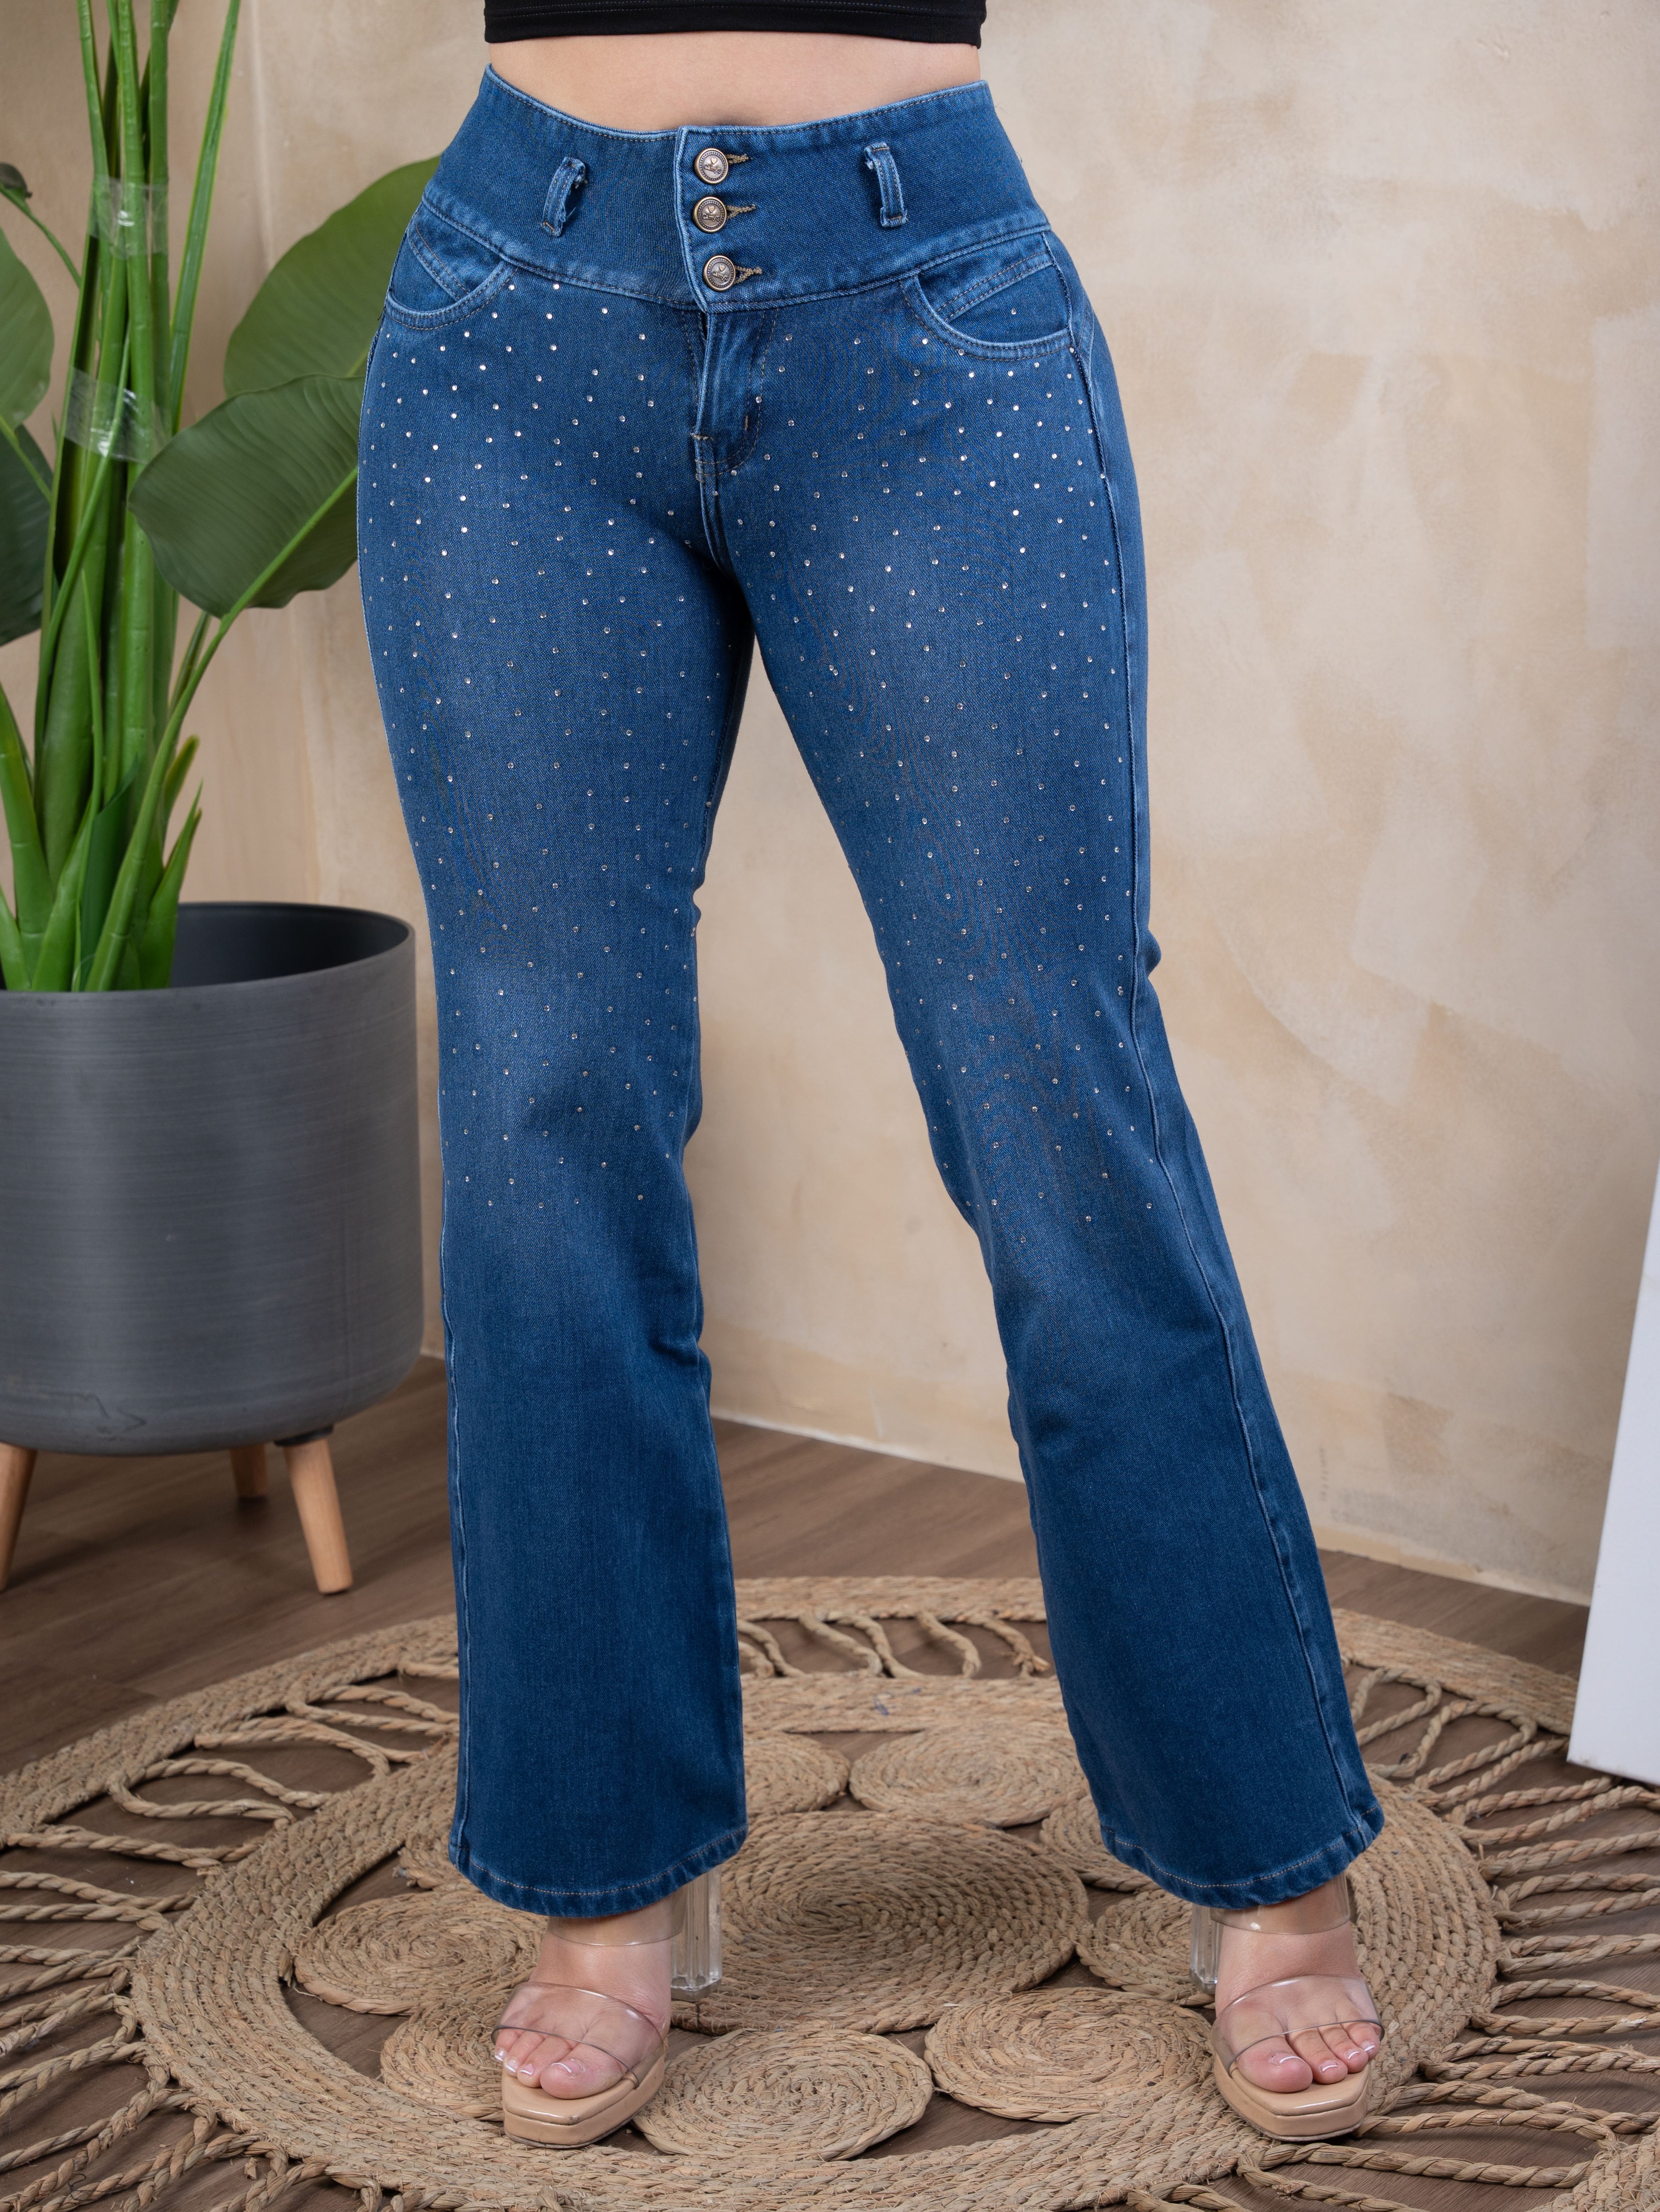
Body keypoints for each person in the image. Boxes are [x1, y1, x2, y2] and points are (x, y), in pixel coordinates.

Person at [357, 0, 1385, 2150]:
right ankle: (606, 1886)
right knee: (546, 1115)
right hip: (514, 317)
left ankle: (1265, 1852)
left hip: (921, 318)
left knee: (1053, 1098)